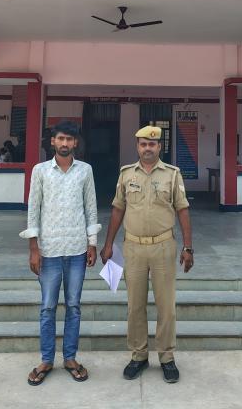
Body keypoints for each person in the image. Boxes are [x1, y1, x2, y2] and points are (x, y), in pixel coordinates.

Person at [100, 126, 193, 384]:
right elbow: (118, 209)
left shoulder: (172, 174)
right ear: (137, 147)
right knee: (135, 306)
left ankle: (166, 357)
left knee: (166, 307)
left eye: (152, 144)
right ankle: (139, 355)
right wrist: (108, 244)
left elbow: (183, 209)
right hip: (133, 247)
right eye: (143, 144)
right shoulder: (126, 174)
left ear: (159, 146)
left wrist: (187, 247)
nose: (148, 148)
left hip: (163, 246)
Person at [20, 121, 101, 386]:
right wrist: (34, 248)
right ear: (53, 141)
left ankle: (70, 358)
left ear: (75, 143)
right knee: (47, 307)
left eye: (69, 139)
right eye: (60, 139)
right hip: (49, 251)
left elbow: (90, 207)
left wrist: (91, 243)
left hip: (77, 250)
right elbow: (33, 209)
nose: (65, 143)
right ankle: (46, 359)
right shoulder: (40, 171)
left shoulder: (85, 170)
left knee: (74, 306)